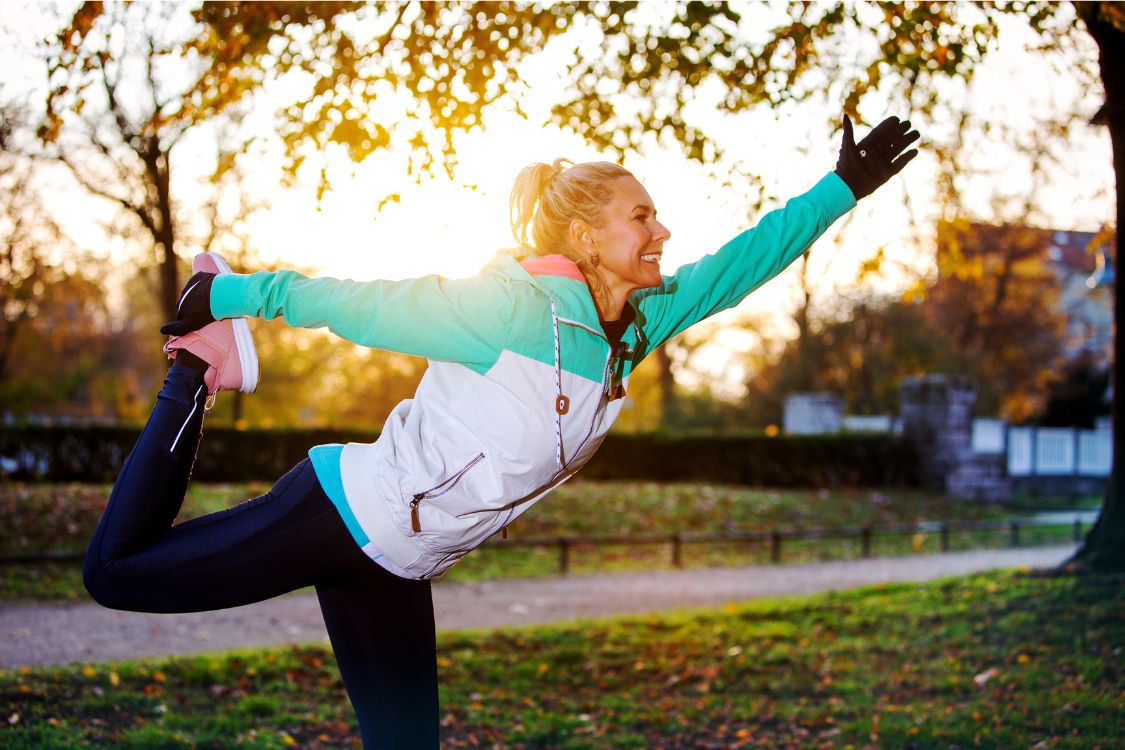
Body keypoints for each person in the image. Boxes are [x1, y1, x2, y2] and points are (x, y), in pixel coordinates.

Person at [83, 114, 919, 748]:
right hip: (342, 514)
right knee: (115, 575)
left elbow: (747, 260)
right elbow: (357, 305)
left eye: (657, 216)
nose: (661, 231)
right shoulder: (510, 309)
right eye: (642, 216)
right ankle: (196, 369)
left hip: (403, 563)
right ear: (588, 237)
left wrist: (841, 186)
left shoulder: (633, 326)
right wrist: (230, 299)